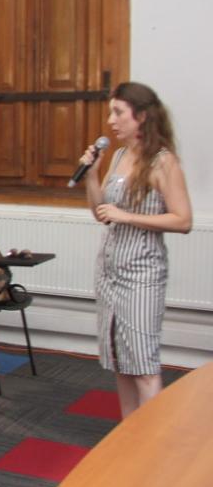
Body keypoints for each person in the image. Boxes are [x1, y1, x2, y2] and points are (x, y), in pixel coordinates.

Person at [81, 82, 192, 419]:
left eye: (118, 112)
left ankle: (152, 447)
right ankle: (129, 437)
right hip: (110, 271)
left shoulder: (163, 162)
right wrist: (91, 176)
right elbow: (101, 214)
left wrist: (126, 216)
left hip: (142, 273)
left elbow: (183, 219)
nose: (110, 120)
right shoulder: (116, 156)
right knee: (120, 360)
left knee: (142, 363)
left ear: (141, 116)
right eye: (110, 112)